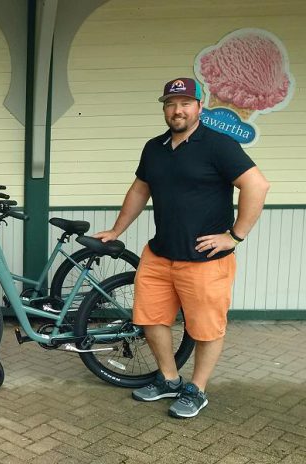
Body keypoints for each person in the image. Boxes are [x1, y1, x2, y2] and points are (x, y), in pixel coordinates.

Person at [94, 77, 269, 418]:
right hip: (160, 254)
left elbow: (257, 185)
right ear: (164, 108)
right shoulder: (155, 147)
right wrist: (117, 229)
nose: (178, 110)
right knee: (150, 318)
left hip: (205, 260)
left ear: (199, 107)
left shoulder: (219, 145)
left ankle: (197, 389)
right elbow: (139, 191)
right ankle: (169, 379)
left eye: (186, 103)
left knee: (206, 328)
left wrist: (234, 236)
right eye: (171, 104)